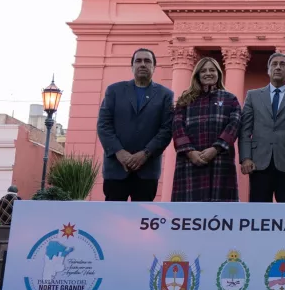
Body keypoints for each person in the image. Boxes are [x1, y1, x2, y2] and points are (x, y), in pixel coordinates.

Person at [96, 48, 175, 201]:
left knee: (142, 221)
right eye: (138, 61)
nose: (143, 64)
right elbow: (104, 125)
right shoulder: (114, 91)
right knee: (113, 219)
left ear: (154, 67)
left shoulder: (166, 95)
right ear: (132, 66)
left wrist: (145, 154)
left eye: (147, 61)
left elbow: (166, 129)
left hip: (147, 170)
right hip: (116, 168)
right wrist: (120, 152)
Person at [240, 52, 285, 202]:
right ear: (268, 70)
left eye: (283, 64)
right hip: (258, 164)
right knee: (258, 214)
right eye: (274, 64)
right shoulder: (253, 96)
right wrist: (245, 157)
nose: (278, 67)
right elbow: (245, 130)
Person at [171, 57, 243, 202]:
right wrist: (190, 152)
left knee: (221, 212)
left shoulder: (231, 99)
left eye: (212, 70)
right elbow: (177, 128)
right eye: (203, 71)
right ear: (197, 75)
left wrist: (215, 149)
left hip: (220, 161)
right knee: (188, 213)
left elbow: (234, 126)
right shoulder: (185, 100)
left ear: (218, 73)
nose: (208, 73)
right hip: (189, 162)